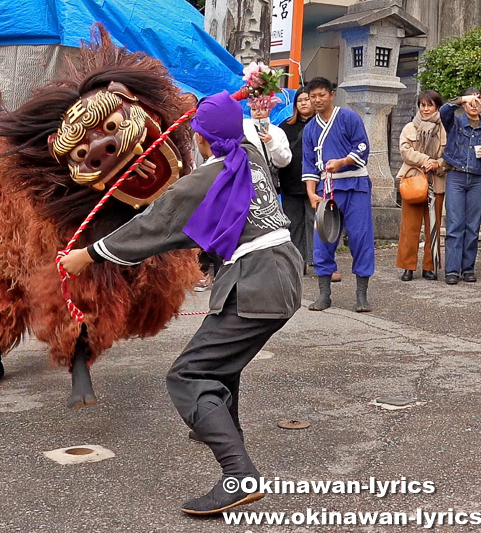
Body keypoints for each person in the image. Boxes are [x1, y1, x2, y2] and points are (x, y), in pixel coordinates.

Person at [59, 91, 302, 515]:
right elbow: (233, 129)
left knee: (189, 375)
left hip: (256, 280)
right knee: (221, 363)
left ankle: (238, 473)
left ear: (203, 140)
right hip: (282, 271)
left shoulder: (201, 182)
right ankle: (220, 427)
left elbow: (153, 225)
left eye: (197, 135)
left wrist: (87, 254)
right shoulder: (250, 151)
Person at [302, 77, 374, 312]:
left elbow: (362, 147)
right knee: (323, 239)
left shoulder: (348, 117)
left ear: (332, 95)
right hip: (327, 189)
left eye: (321, 95)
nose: (317, 100)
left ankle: (361, 294)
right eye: (313, 96)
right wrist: (312, 195)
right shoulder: (310, 129)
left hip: (355, 185)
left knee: (360, 237)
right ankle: (324, 294)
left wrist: (343, 162)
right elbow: (309, 165)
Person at [440, 88, 481, 285]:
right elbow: (443, 111)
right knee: (454, 225)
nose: (473, 104)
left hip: (477, 178)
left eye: (477, 100)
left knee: (473, 225)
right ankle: (452, 270)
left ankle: (468, 268)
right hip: (456, 176)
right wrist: (462, 98)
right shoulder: (455, 123)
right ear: (463, 104)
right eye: (470, 101)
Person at [395, 90, 447, 281]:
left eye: (429, 105)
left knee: (434, 226)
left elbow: (448, 155)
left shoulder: (444, 128)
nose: (425, 109)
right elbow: (405, 152)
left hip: (437, 181)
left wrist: (438, 163)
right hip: (413, 181)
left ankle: (430, 266)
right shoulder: (410, 127)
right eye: (422, 105)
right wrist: (427, 160)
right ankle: (407, 267)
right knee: (409, 227)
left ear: (437, 107)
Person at [279, 87, 315, 272]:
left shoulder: (320, 124)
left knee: (314, 222)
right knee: (293, 223)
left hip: (315, 183)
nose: (303, 103)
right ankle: (296, 261)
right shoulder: (285, 126)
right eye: (300, 100)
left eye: (307, 99)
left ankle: (316, 260)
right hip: (290, 182)